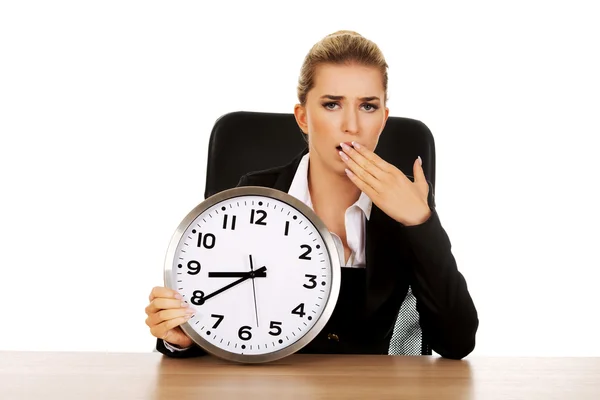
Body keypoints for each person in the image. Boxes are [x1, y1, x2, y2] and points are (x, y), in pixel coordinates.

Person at [145, 30, 479, 360]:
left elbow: (456, 342)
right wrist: (182, 337)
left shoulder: (406, 201)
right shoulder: (249, 199)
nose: (351, 125)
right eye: (332, 104)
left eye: (368, 106)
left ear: (383, 119)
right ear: (304, 117)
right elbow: (217, 320)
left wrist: (420, 222)